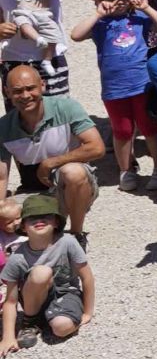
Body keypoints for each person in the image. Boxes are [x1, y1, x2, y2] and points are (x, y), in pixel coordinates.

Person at [0, 65, 103, 247]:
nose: (25, 95)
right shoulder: (4, 127)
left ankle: (76, 234)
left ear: (42, 85)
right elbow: (1, 176)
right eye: (17, 91)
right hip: (32, 190)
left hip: (71, 186)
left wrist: (50, 163)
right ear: (7, 92)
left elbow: (96, 147)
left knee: (73, 172)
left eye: (30, 88)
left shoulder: (66, 108)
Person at [0, 193, 92, 354]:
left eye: (46, 216)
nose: (39, 221)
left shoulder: (68, 242)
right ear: (23, 226)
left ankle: (50, 318)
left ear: (56, 222)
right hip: (33, 298)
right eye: (32, 218)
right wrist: (8, 337)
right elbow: (10, 301)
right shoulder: (17, 257)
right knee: (41, 272)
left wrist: (88, 312)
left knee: (61, 328)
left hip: (66, 293)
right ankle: (30, 322)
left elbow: (87, 277)